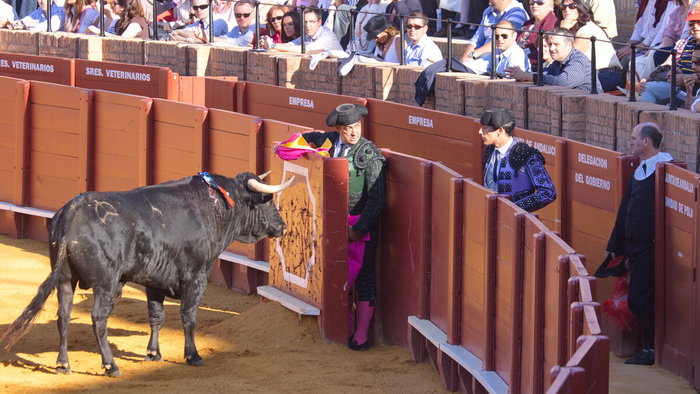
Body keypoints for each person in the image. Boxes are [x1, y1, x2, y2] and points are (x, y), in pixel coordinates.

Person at [294, 104, 386, 351]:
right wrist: (287, 146)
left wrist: (358, 230)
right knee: (335, 275)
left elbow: (377, 199)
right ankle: (341, 328)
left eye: (356, 127)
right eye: (347, 129)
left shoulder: (370, 155)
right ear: (338, 129)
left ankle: (362, 335)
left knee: (364, 277)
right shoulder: (331, 141)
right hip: (333, 224)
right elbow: (308, 138)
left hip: (360, 226)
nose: (353, 133)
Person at [606, 122, 673, 366]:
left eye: (634, 138)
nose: (630, 141)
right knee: (639, 298)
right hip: (635, 246)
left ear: (647, 142)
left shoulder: (665, 168)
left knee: (639, 300)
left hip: (650, 246)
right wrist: (616, 243)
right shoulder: (641, 169)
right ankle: (647, 347)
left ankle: (649, 349)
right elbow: (626, 207)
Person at [478, 108, 556, 212]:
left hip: (517, 222)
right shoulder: (489, 151)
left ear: (499, 131)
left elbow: (548, 192)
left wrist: (515, 209)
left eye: (485, 128)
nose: (480, 131)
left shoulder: (525, 154)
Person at [554, 1, 623, 92]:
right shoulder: (574, 29)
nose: (566, 9)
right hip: (589, 73)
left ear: (580, 8)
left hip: (607, 74)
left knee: (566, 86)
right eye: (563, 6)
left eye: (572, 6)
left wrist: (563, 30)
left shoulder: (586, 30)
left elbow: (566, 56)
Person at [640, 8, 700, 105]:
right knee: (647, 87)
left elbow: (687, 75)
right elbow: (680, 65)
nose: (694, 26)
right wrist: (675, 71)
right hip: (682, 89)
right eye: (691, 23)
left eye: (698, 22)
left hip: (695, 91)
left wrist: (685, 77)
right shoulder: (689, 42)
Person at [506, 28, 593, 91]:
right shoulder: (557, 62)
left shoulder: (578, 60)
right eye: (550, 44)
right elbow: (543, 74)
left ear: (569, 45)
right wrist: (523, 76)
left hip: (590, 109)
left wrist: (530, 77)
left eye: (556, 44)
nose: (551, 48)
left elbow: (563, 82)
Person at [459, 0, 529, 64]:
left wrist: (474, 54)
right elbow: (477, 39)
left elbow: (503, 41)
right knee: (456, 65)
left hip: (499, 61)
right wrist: (466, 58)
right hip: (480, 60)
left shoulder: (517, 13)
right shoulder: (488, 11)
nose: (489, 2)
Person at [261, 7, 342, 53]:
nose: (307, 25)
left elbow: (305, 49)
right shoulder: (307, 36)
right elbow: (290, 45)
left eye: (311, 22)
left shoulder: (327, 36)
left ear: (319, 22)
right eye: (305, 22)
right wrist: (268, 44)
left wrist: (272, 45)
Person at [464, 20, 531, 76]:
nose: (499, 39)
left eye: (504, 36)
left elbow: (509, 80)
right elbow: (476, 66)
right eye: (496, 36)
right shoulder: (496, 52)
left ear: (514, 36)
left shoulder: (517, 55)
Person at [517, 0, 557, 68]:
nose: (534, 5)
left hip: (536, 66)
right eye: (532, 3)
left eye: (539, 3)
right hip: (519, 61)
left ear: (551, 5)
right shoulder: (528, 23)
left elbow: (544, 51)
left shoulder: (552, 23)